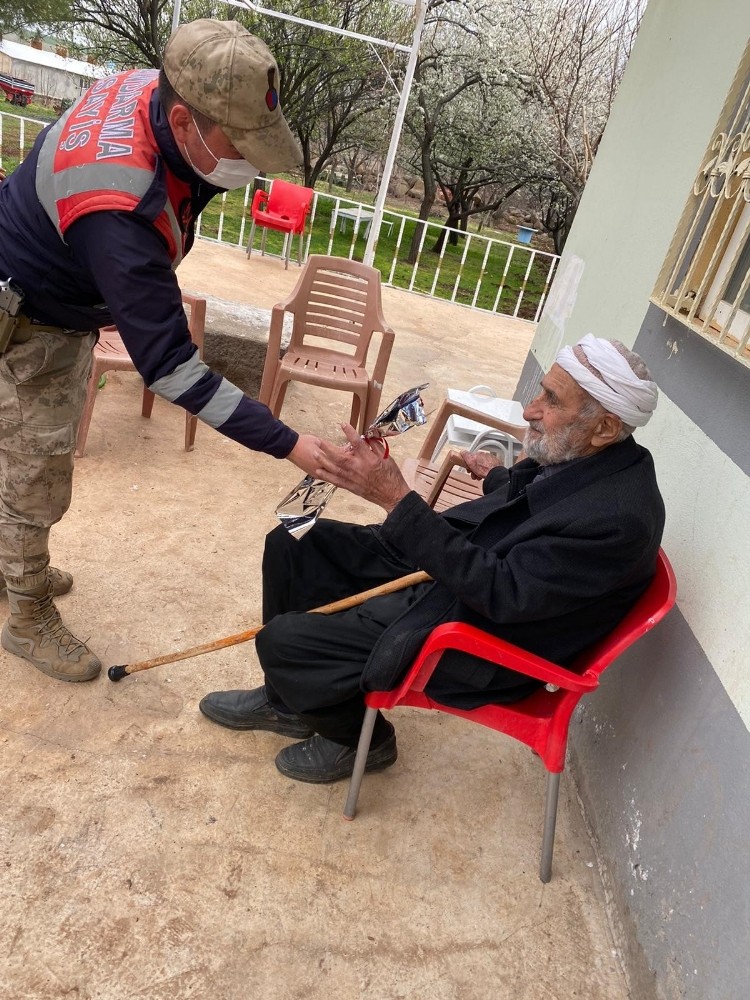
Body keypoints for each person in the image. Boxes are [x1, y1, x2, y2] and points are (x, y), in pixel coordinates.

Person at [0, 20, 327, 684]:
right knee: (36, 469)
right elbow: (173, 367)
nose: (250, 160)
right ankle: (25, 609)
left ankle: (12, 560)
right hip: (32, 319)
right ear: (183, 120)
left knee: (18, 456)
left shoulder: (154, 87)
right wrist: (295, 445)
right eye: (239, 143)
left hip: (45, 282)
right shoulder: (118, 207)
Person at [199, 336, 665, 784]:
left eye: (551, 401)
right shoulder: (597, 456)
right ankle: (288, 703)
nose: (530, 410)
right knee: (293, 544)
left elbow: (504, 594)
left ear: (604, 427)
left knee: (284, 643)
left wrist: (394, 497)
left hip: (476, 633)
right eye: (541, 390)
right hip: (458, 574)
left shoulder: (618, 519)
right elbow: (542, 506)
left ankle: (364, 739)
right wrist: (498, 477)